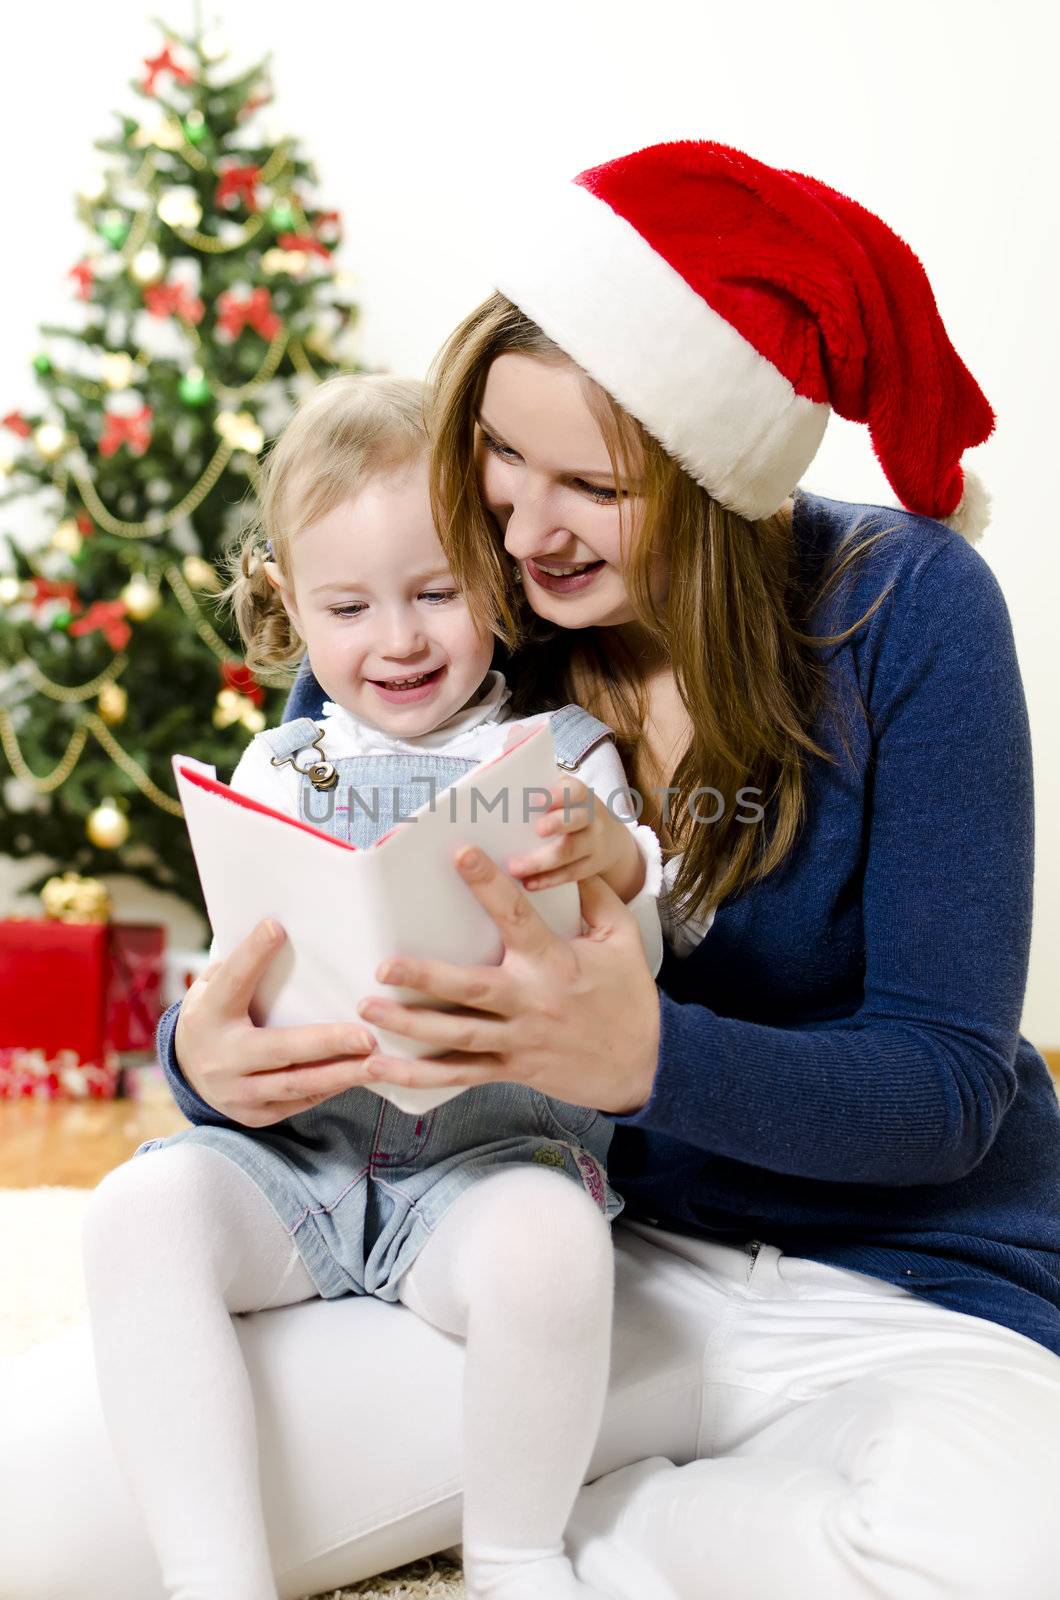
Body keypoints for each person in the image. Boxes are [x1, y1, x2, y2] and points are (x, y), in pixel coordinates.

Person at [2, 140, 1058, 1600]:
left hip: (900, 1290)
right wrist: (209, 1065)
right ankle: (574, 1503)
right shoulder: (457, 604)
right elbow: (314, 917)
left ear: (720, 476)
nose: (521, 525)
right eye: (501, 453)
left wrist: (648, 1057)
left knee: (997, 1564)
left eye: (592, 484)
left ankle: (597, 1531)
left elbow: (950, 1091)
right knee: (29, 1521)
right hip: (555, 1259)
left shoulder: (907, 610)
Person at [79, 373, 664, 1600]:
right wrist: (208, 1029)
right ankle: (213, 1575)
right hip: (301, 1163)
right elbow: (231, 973)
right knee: (133, 1219)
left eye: (436, 593)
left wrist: (610, 861)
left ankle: (514, 1551)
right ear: (291, 606)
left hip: (485, 1168)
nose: (396, 640)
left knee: (556, 1251)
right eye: (348, 606)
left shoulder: (558, 755)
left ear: (496, 588)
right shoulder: (279, 762)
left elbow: (639, 948)